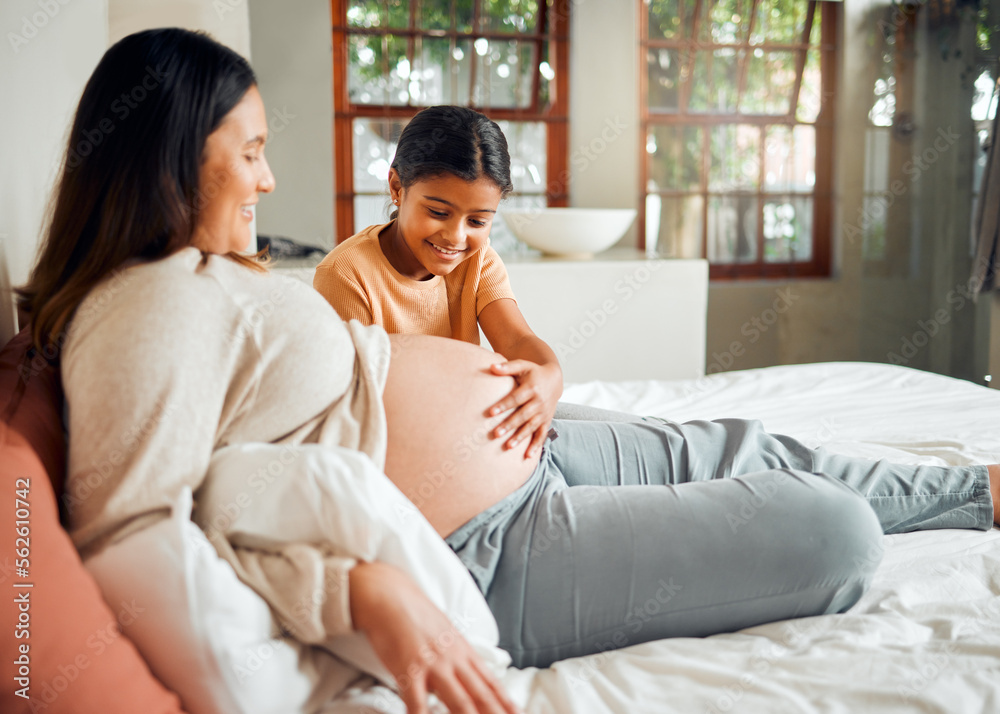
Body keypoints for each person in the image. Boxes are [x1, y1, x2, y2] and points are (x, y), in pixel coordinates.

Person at [16, 27, 1000, 714]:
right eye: (254, 152)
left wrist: (531, 380)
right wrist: (348, 594)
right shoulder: (137, 310)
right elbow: (147, 546)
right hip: (487, 544)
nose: (270, 180)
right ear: (175, 154)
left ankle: (974, 493)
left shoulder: (196, 276)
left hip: (533, 447)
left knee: (744, 442)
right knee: (832, 530)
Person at [313, 106, 563, 459]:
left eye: (477, 221)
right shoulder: (345, 274)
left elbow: (517, 338)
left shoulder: (477, 259)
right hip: (427, 447)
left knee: (666, 440)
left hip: (483, 424)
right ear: (397, 188)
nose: (455, 237)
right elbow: (360, 402)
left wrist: (550, 376)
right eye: (438, 213)